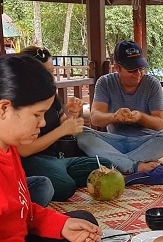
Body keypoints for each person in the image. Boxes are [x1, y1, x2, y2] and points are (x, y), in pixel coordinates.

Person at [0, 54, 105, 242]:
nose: (43, 122)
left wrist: (60, 225)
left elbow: (21, 210)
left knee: (81, 221)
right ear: (4, 108)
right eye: (37, 115)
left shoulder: (5, 144)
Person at [18, 46, 112, 203]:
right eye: (45, 73)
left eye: (52, 71)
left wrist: (73, 114)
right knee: (65, 187)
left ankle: (58, 173)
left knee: (104, 165)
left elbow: (65, 127)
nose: (51, 77)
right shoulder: (19, 102)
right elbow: (23, 150)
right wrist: (61, 131)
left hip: (58, 158)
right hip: (32, 159)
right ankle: (46, 180)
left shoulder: (50, 96)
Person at [76, 40, 163, 174]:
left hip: (145, 143)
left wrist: (141, 117)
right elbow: (95, 118)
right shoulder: (105, 82)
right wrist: (115, 117)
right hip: (114, 142)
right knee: (80, 132)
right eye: (132, 70)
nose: (138, 73)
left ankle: (117, 164)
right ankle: (134, 166)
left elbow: (159, 124)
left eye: (141, 68)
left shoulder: (152, 84)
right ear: (117, 68)